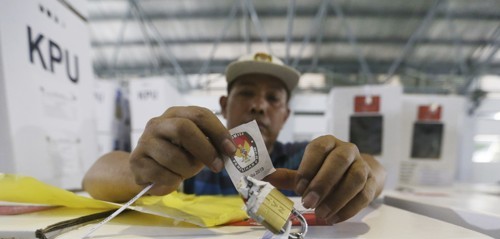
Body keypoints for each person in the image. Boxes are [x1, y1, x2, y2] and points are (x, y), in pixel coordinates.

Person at [83, 52, 386, 225]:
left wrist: (358, 172)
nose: (258, 105)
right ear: (225, 106)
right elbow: (96, 175)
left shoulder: (300, 160)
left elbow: (374, 168)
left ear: (286, 115)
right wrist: (145, 169)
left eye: (273, 98)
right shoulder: (191, 157)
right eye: (246, 93)